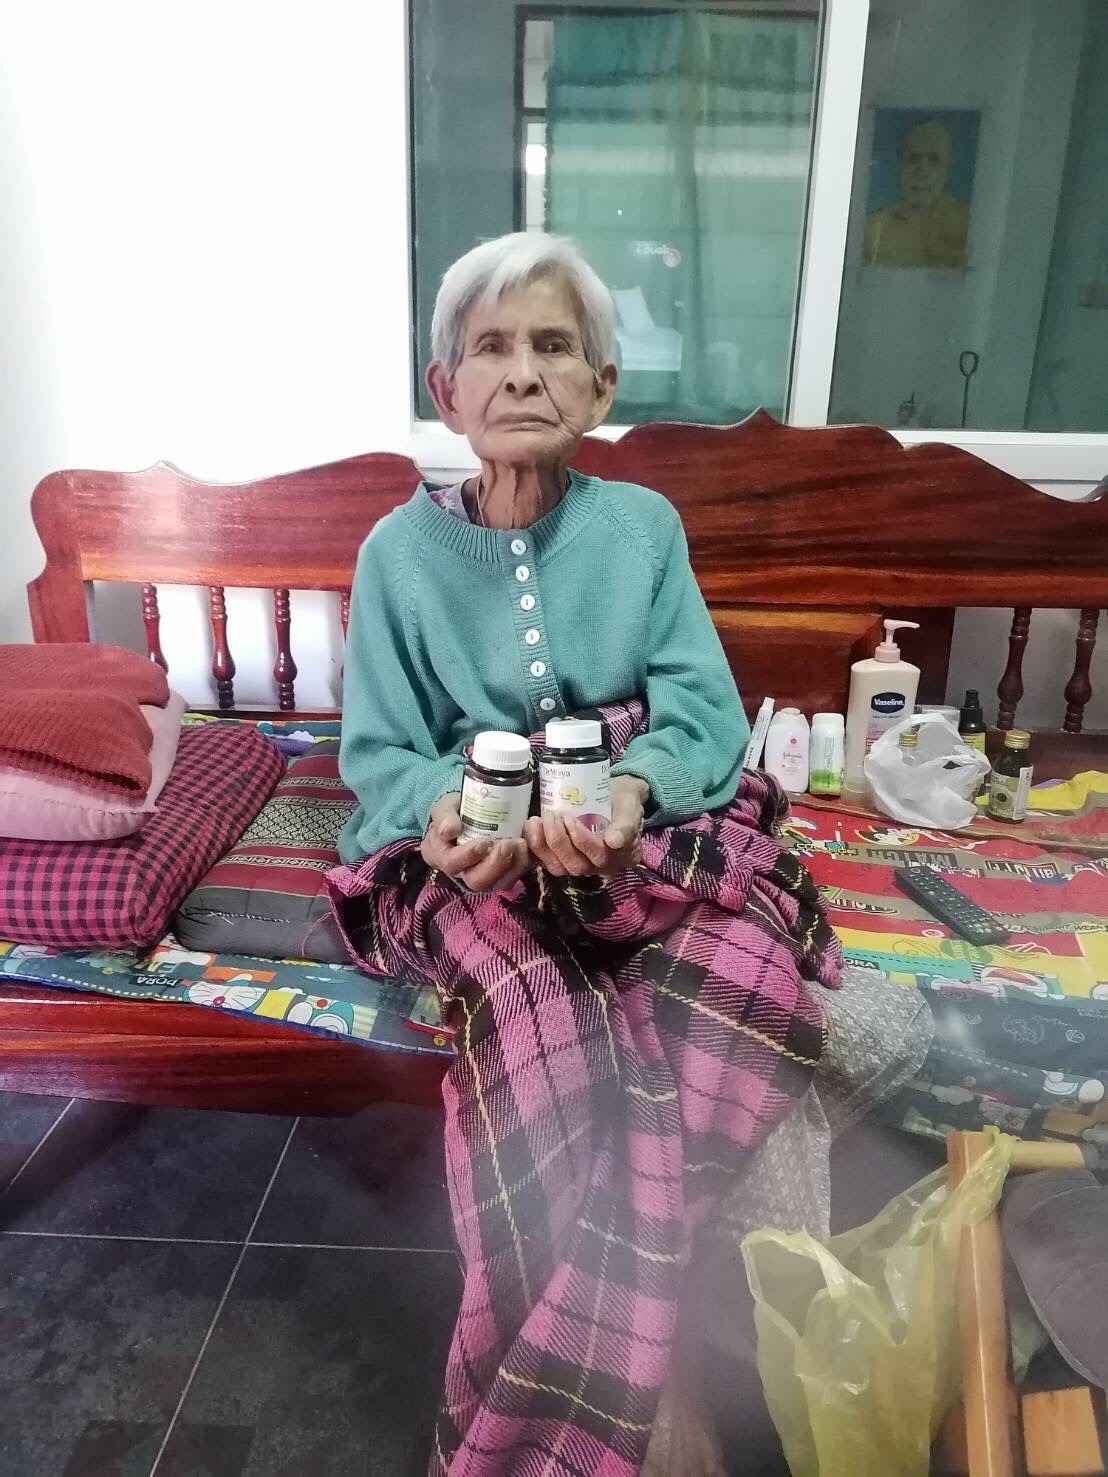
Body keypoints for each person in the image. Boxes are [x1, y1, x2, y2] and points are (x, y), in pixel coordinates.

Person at [329, 232, 841, 1476]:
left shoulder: (643, 528)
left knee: (743, 978)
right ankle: (646, 1394)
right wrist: (447, 817)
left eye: (554, 346)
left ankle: (610, 1387)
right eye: (491, 348)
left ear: (601, 385)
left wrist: (628, 789)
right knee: (537, 1023)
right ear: (446, 389)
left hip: (633, 831)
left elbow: (702, 716)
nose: (522, 372)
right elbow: (381, 754)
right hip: (471, 851)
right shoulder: (395, 556)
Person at [863, 118, 970, 268]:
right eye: (912, 159)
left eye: (934, 160)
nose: (922, 171)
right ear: (899, 167)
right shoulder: (872, 228)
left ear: (947, 170)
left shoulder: (969, 225)